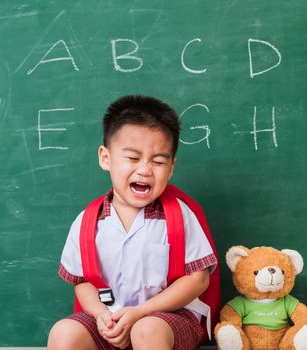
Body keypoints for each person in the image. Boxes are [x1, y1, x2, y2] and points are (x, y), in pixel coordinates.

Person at [47, 95, 218, 350]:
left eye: (158, 161)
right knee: (64, 333)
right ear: (106, 158)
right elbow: (82, 282)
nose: (145, 169)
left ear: (171, 168)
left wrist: (140, 313)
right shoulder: (87, 223)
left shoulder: (179, 215)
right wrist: (100, 315)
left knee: (146, 331)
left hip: (169, 319)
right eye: (132, 158)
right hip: (112, 318)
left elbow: (198, 279)